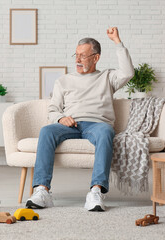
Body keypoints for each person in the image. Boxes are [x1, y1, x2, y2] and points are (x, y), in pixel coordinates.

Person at [26, 27, 134, 211]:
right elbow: (53, 109)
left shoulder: (107, 77)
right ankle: (42, 190)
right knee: (46, 130)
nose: (77, 60)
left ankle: (96, 191)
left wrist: (117, 42)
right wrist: (61, 119)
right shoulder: (64, 80)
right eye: (75, 55)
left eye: (82, 56)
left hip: (98, 124)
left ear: (96, 57)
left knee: (107, 132)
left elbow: (128, 72)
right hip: (70, 124)